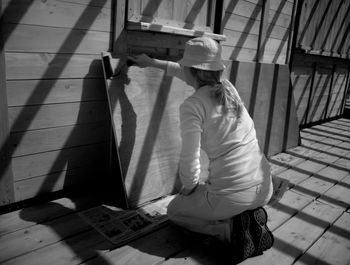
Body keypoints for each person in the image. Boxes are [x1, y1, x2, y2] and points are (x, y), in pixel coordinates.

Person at [129, 36, 274, 263]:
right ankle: (246, 217)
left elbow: (190, 159)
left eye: (186, 66)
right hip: (265, 187)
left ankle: (227, 229)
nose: (182, 69)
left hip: (231, 197)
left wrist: (189, 188)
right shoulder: (229, 89)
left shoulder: (193, 105)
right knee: (215, 194)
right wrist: (151, 62)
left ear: (194, 72)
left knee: (175, 211)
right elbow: (185, 72)